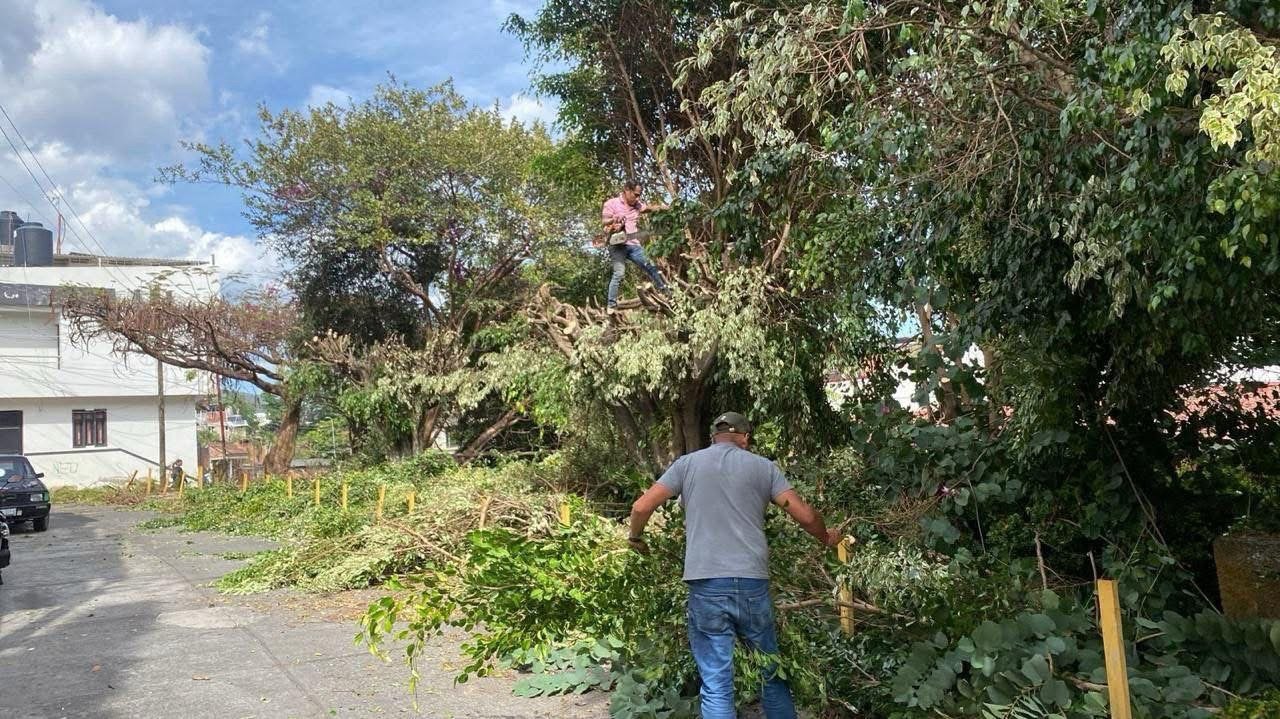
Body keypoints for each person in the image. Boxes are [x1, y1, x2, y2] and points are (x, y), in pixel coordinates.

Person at [627, 412, 842, 719]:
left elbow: (641, 506)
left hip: (707, 584)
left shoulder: (687, 465)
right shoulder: (763, 468)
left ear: (713, 437)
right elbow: (804, 515)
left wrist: (635, 538)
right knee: (771, 671)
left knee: (716, 681)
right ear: (745, 437)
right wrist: (826, 537)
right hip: (752, 581)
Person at [601, 180, 670, 313]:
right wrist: (614, 220)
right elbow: (604, 222)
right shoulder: (611, 203)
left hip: (633, 245)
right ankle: (611, 305)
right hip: (617, 246)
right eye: (635, 194)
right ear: (627, 190)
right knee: (619, 274)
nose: (637, 198)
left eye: (639, 195)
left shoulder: (637, 205)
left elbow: (648, 208)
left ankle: (667, 292)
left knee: (650, 266)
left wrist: (663, 207)